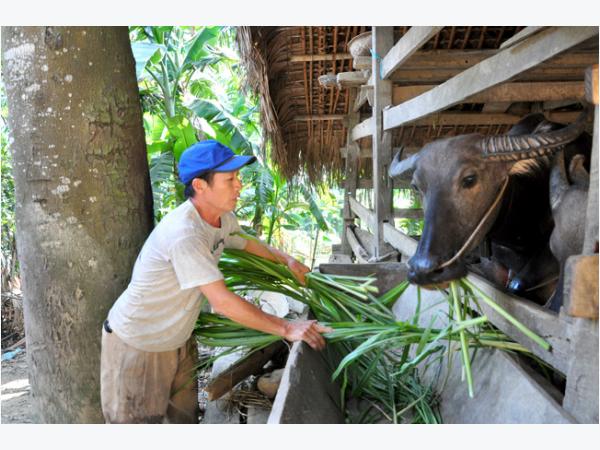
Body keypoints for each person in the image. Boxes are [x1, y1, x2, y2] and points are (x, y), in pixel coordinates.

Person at [100, 140, 332, 424]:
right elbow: (222, 302)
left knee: (184, 420)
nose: (240, 185)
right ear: (200, 186)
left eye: (238, 177)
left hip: (178, 338)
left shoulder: (221, 217)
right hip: (140, 342)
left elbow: (247, 244)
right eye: (230, 179)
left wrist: (288, 261)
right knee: (138, 425)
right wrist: (287, 328)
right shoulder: (185, 234)